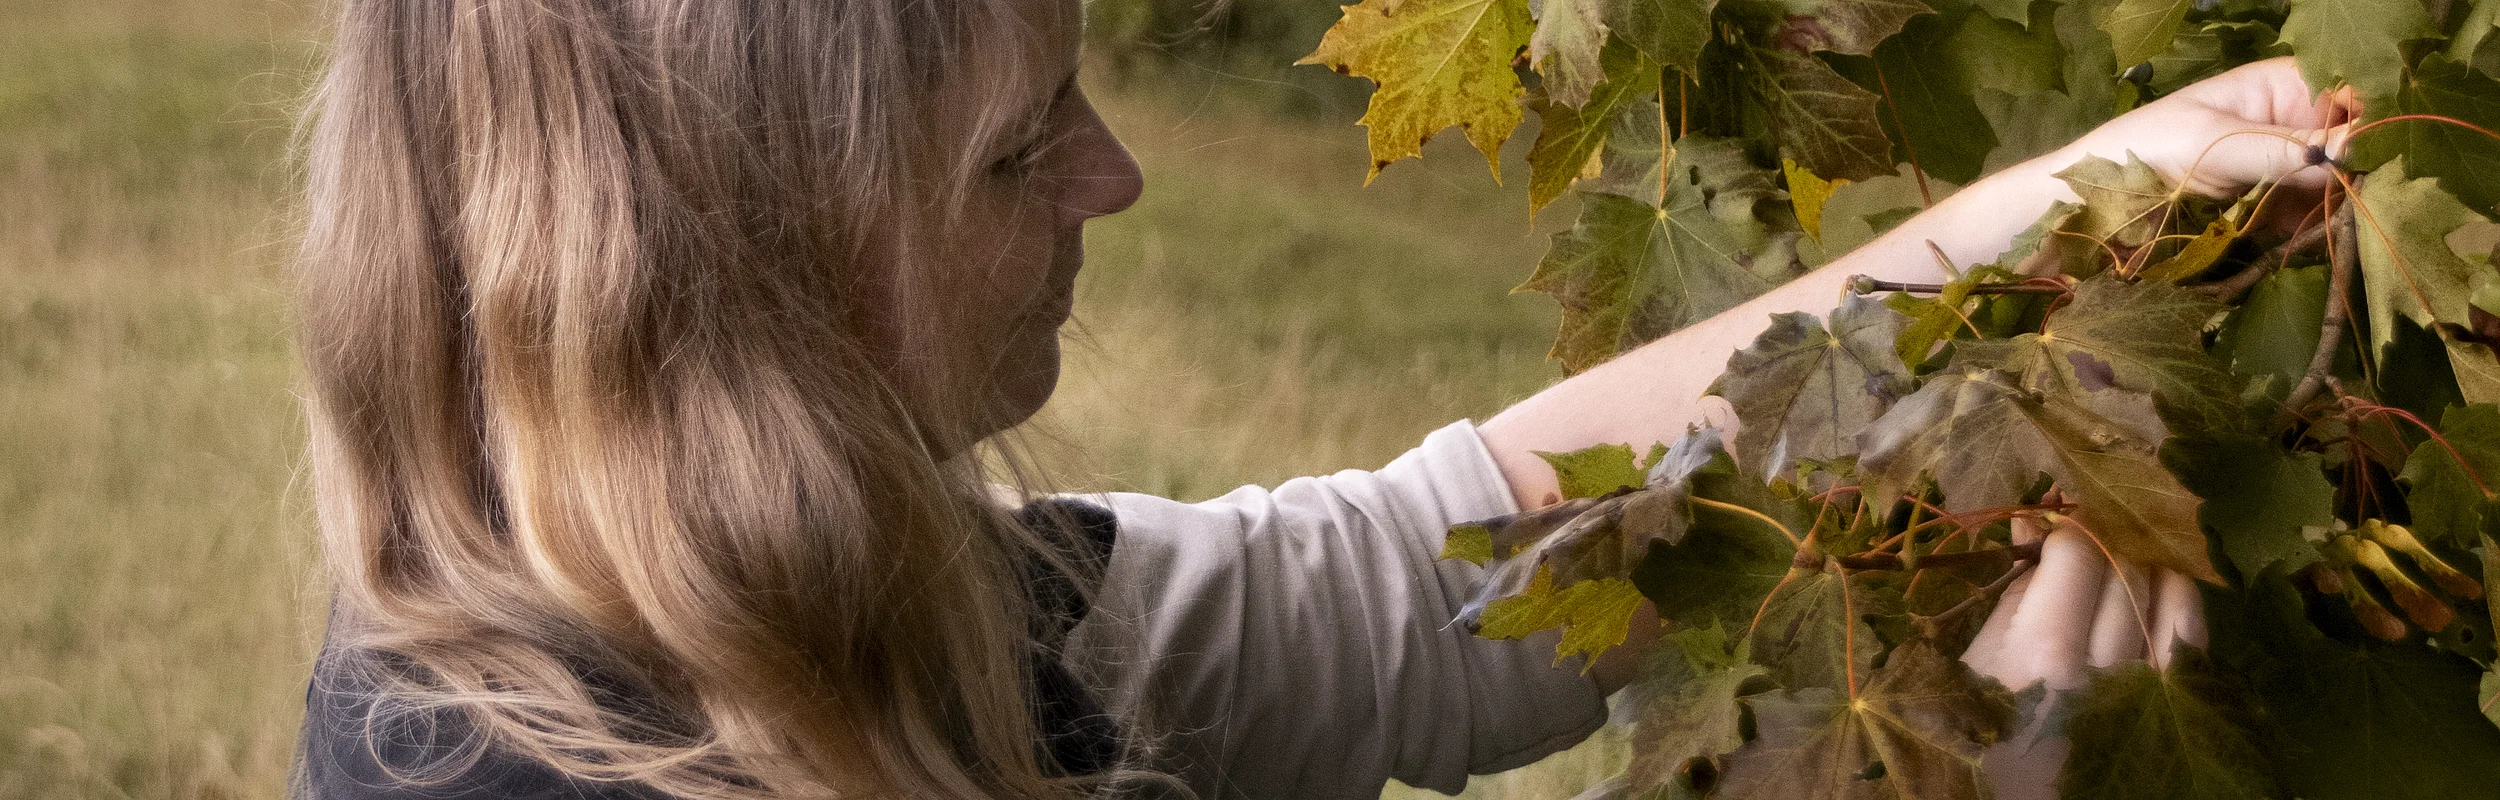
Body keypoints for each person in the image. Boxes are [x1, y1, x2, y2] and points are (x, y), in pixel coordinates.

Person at [286, 0, 2356, 797]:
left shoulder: (794, 604)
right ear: (736, 272)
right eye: (1018, 151)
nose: (1113, 174)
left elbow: (1405, 586)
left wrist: (2026, 226)